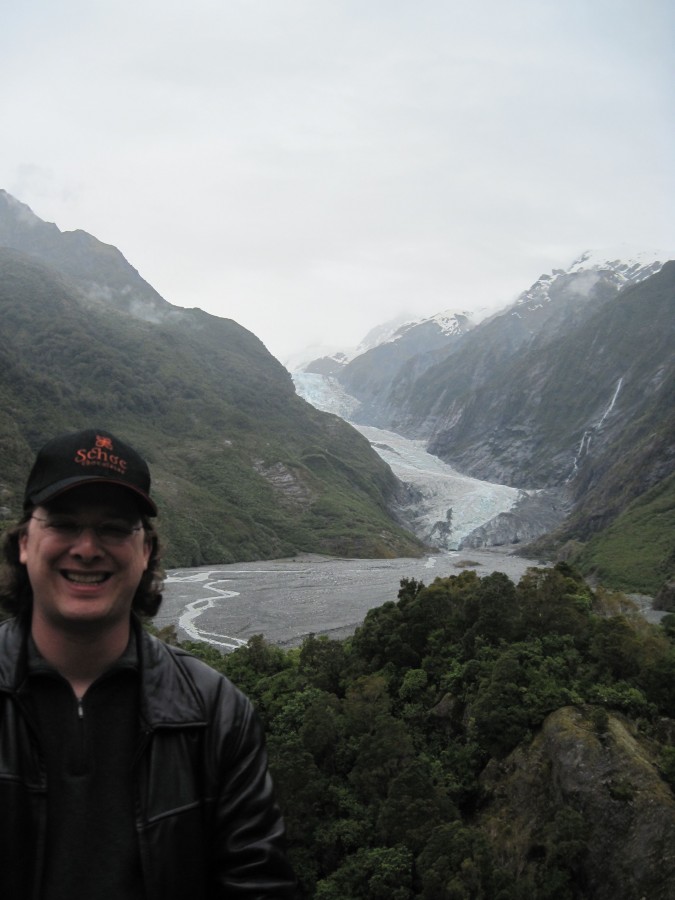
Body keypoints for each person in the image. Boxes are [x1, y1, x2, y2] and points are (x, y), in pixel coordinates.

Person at [0, 428, 297, 899]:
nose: (87, 548)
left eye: (115, 528)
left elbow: (259, 884)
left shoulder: (217, 714)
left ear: (145, 552)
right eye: (63, 523)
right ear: (23, 542)